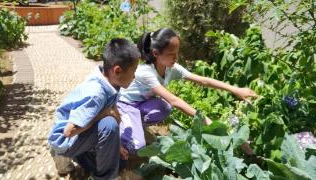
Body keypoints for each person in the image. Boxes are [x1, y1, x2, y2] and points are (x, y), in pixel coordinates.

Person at [117, 28, 258, 154]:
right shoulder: (146, 72)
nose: (176, 57)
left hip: (142, 103)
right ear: (156, 53)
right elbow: (175, 101)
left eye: (177, 53)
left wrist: (235, 89)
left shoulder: (171, 68)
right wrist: (208, 122)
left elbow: (203, 80)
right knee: (136, 146)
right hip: (125, 105)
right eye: (171, 53)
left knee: (164, 108)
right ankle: (118, 130)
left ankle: (135, 124)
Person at [48, 38, 140, 179]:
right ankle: (101, 176)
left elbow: (113, 110)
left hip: (78, 132)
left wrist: (118, 145)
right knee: (109, 125)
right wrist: (103, 114)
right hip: (63, 139)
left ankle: (78, 156)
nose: (134, 76)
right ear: (117, 70)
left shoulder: (109, 81)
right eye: (133, 71)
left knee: (119, 162)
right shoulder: (96, 94)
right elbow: (69, 131)